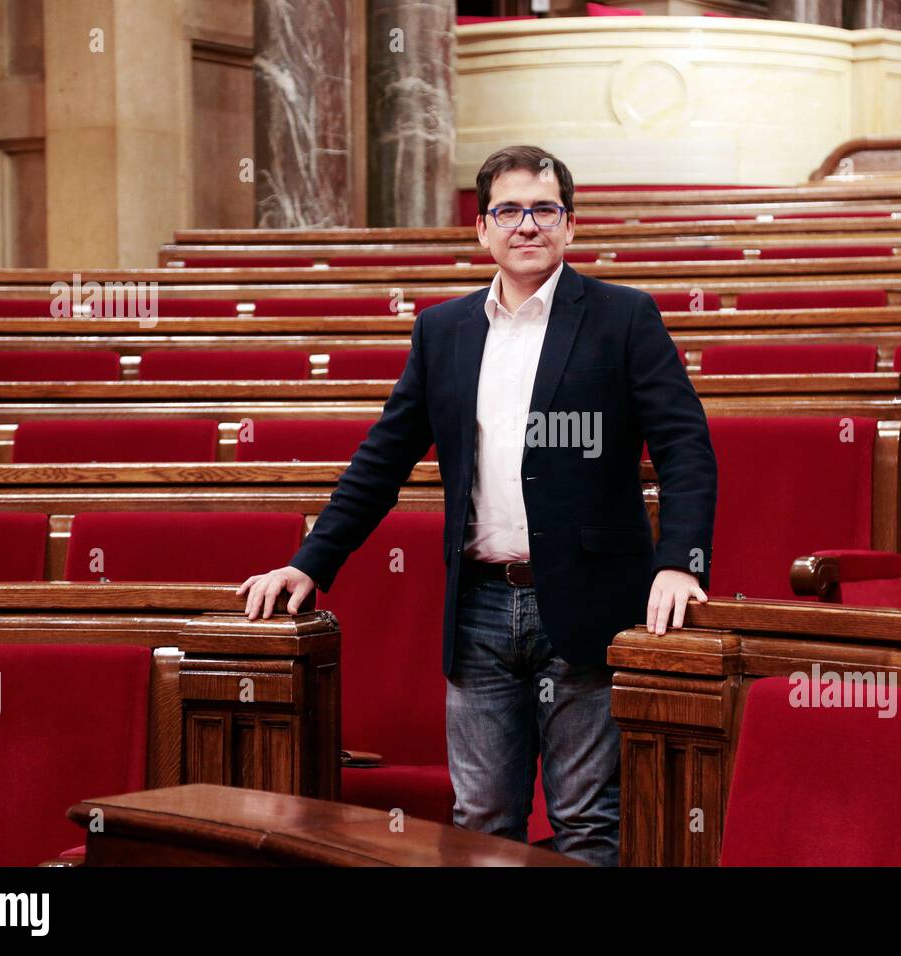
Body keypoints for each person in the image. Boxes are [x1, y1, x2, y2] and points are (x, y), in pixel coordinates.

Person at [238, 145, 717, 866]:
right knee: (481, 822)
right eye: (509, 210)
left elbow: (686, 448)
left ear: (570, 226)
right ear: (482, 229)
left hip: (588, 602)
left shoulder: (623, 317)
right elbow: (383, 458)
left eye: (545, 209)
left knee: (588, 822)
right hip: (481, 609)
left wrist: (679, 562)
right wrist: (312, 562)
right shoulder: (444, 331)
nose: (528, 225)